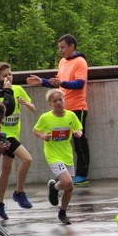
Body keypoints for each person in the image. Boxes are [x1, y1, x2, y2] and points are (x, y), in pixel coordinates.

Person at [27, 34, 90, 186]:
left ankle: (82, 174)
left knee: (79, 140)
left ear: (71, 46)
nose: (60, 51)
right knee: (60, 141)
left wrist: (62, 83)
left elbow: (80, 83)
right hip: (62, 110)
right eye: (59, 48)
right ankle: (64, 175)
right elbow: (59, 84)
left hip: (76, 107)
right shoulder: (62, 62)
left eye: (62, 47)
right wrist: (42, 81)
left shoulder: (80, 62)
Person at [0, 62, 36, 214]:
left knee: (6, 169)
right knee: (27, 159)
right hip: (3, 134)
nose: (9, 77)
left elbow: (34, 109)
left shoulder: (18, 89)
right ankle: (19, 193)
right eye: (5, 76)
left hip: (14, 133)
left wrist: (26, 104)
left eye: (10, 74)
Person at [32, 89, 83, 225]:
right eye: (55, 101)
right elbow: (35, 130)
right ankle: (54, 187)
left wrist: (78, 133)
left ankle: (62, 212)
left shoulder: (71, 116)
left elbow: (78, 128)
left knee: (69, 187)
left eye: (60, 99)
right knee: (67, 182)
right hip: (53, 155)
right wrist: (43, 136)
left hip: (67, 154)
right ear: (50, 104)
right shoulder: (45, 118)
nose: (59, 103)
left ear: (64, 100)